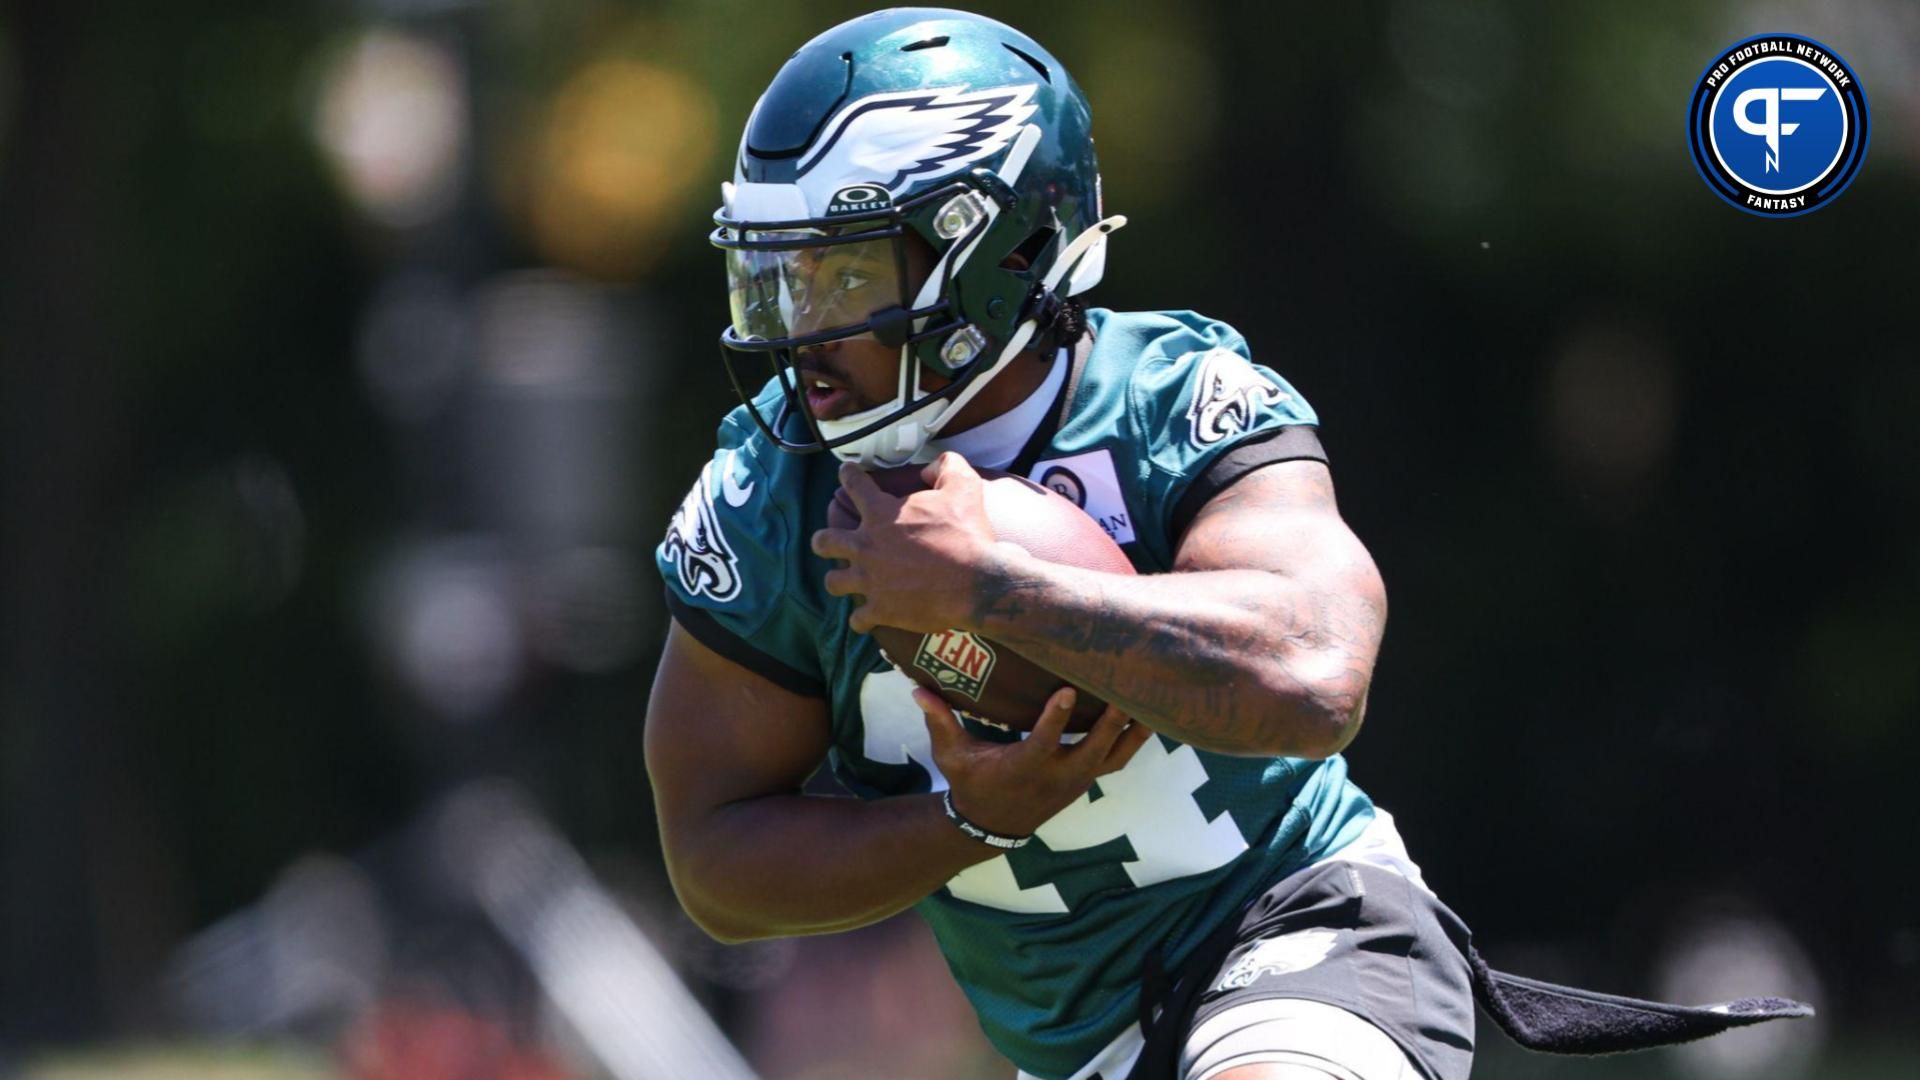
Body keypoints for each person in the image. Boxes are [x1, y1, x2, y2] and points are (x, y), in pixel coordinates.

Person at [646, 9, 1807, 1079]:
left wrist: (997, 588)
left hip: (1304, 933)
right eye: (781, 276)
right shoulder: (775, 491)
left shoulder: (1171, 397)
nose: (804, 333)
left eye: (842, 271)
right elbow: (714, 860)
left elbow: (1315, 675)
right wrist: (967, 820)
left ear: (993, 251)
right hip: (1077, 1049)